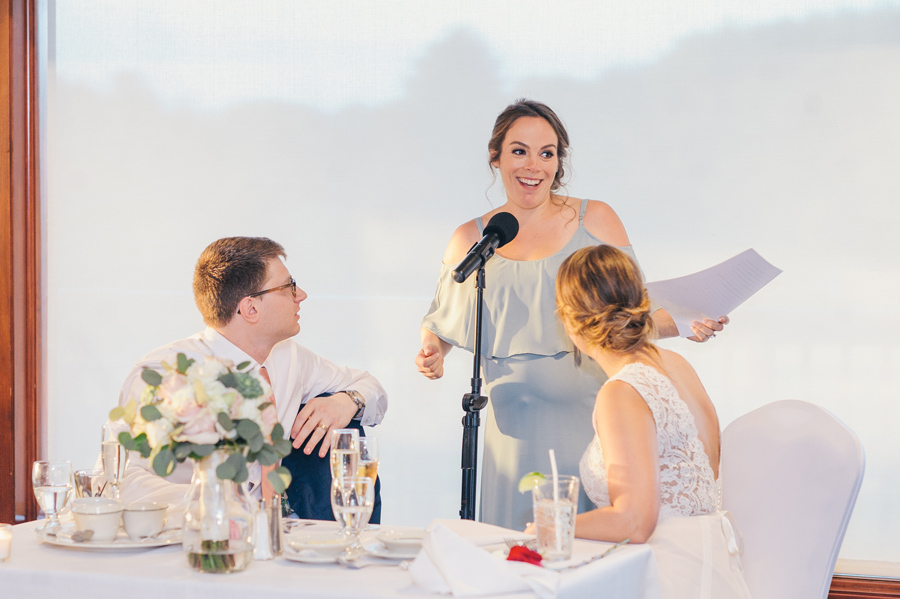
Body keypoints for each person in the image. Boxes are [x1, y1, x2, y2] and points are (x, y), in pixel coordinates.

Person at [416, 99, 727, 529]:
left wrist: (687, 319)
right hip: (512, 434)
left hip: (590, 417)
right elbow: (444, 321)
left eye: (548, 153)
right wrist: (432, 351)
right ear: (496, 157)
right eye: (520, 150)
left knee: (591, 537)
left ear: (559, 161)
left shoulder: (595, 218)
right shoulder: (472, 237)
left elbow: (630, 310)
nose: (534, 165)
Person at [112, 236, 387, 521]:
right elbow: (121, 478)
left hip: (282, 536)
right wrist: (214, 505)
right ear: (250, 309)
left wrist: (347, 401)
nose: (301, 294)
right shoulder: (163, 375)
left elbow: (371, 387)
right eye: (288, 287)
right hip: (196, 540)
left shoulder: (290, 357)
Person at [546, 244, 750, 598]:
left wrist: (550, 526)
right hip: (711, 569)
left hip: (668, 577)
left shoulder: (622, 392)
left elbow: (635, 521)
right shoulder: (676, 365)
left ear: (569, 320)